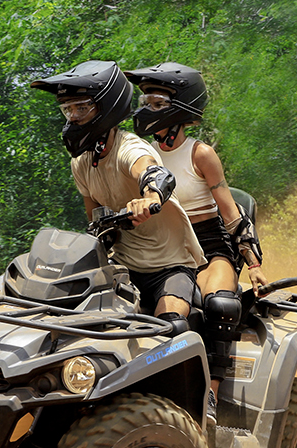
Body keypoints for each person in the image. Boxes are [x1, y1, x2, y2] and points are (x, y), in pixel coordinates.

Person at [124, 62, 269, 399]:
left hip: (208, 244)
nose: (147, 110)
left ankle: (211, 397)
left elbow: (230, 212)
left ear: (181, 106)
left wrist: (254, 265)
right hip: (162, 246)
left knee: (220, 305)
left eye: (157, 103)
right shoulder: (138, 155)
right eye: (145, 102)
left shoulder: (201, 154)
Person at [30, 60, 206, 336]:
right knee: (72, 323)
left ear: (106, 107)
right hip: (122, 268)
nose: (73, 117)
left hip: (169, 267)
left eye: (82, 107)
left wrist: (148, 198)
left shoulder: (129, 147)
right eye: (68, 109)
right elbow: (94, 220)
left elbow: (152, 171)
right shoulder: (81, 163)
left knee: (170, 328)